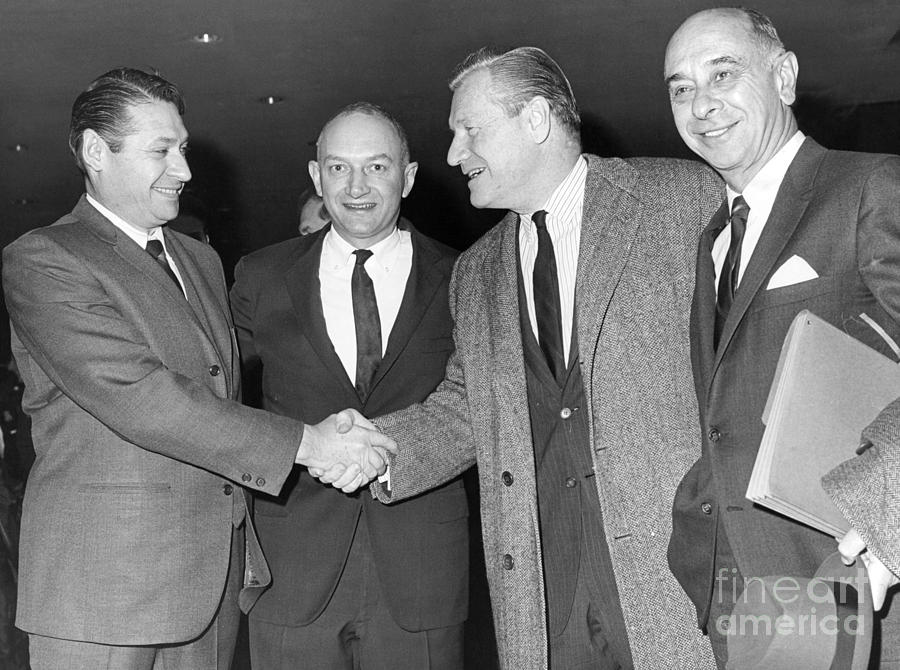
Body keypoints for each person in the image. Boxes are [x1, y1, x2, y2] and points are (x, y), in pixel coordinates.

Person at [318, 47, 722, 669]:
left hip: (678, 569)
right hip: (541, 578)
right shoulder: (476, 271)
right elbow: (466, 409)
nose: (454, 154)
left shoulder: (683, 200)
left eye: (469, 130)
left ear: (535, 120)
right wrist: (370, 446)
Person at [1, 68, 394, 670]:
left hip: (211, 582)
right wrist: (309, 443)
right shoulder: (45, 259)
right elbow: (140, 397)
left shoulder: (201, 260)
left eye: (182, 148)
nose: (184, 170)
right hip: (103, 592)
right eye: (161, 150)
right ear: (94, 151)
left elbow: (228, 385)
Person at [663, 7, 900, 666]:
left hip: (863, 590)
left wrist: (886, 523)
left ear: (785, 77)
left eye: (722, 74)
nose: (701, 104)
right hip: (752, 605)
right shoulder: (713, 240)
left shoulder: (870, 186)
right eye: (681, 88)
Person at [230, 102, 469, 669]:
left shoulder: (466, 275)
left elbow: (478, 406)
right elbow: (225, 406)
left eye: (378, 167)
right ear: (317, 177)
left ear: (408, 178)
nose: (357, 186)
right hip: (290, 568)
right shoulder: (259, 276)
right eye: (338, 168)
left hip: (422, 567)